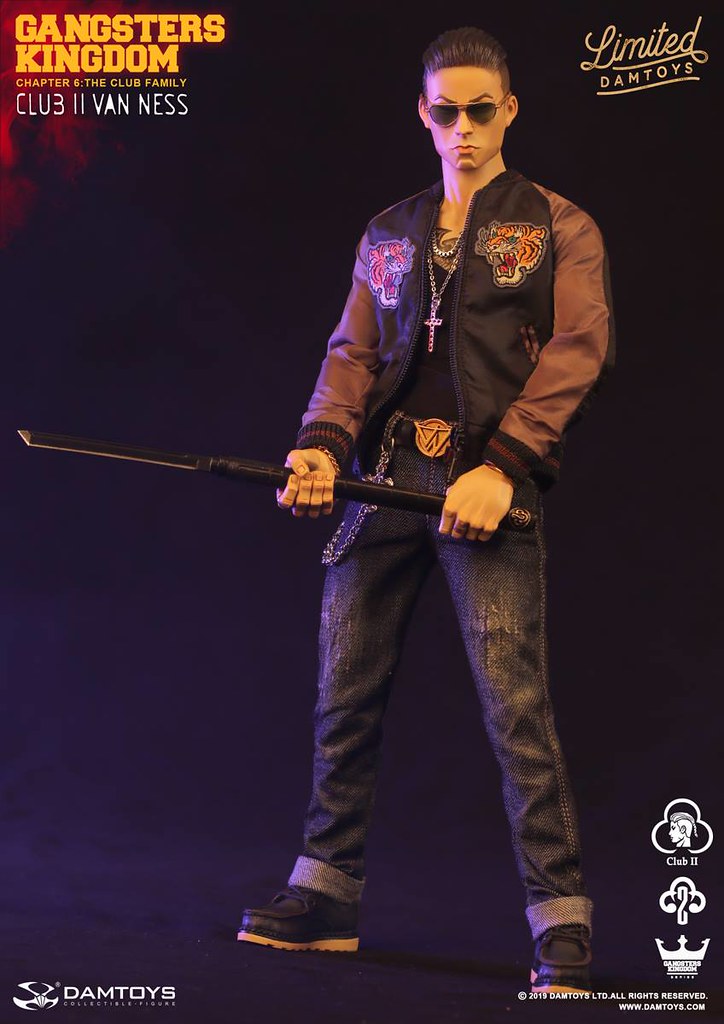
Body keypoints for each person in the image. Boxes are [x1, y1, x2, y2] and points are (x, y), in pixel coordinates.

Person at [236, 26, 615, 995]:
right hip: (387, 476)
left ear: (509, 111)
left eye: (481, 109)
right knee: (344, 691)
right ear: (423, 114)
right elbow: (353, 352)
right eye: (446, 111)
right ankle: (323, 896)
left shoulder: (559, 225)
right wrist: (321, 448)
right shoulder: (390, 232)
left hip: (487, 483)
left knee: (515, 706)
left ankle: (560, 921)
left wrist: (508, 463)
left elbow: (578, 348)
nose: (464, 128)